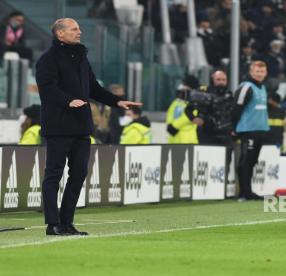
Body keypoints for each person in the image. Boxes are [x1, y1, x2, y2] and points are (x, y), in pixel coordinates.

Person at [36, 18, 141, 236]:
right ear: (60, 34)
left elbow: (94, 88)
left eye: (78, 28)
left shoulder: (82, 58)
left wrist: (116, 102)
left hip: (81, 126)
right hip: (58, 126)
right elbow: (47, 89)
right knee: (53, 174)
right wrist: (68, 101)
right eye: (74, 29)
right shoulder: (48, 59)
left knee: (79, 173)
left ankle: (67, 222)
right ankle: (52, 223)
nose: (79, 32)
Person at [232, 61, 269, 201]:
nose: (259, 74)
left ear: (265, 73)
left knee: (252, 161)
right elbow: (236, 108)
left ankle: (248, 191)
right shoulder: (246, 87)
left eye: (262, 71)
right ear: (251, 72)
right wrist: (234, 128)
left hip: (260, 129)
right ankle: (243, 193)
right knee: (246, 161)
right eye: (257, 71)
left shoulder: (262, 87)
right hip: (248, 129)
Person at [166, 75, 203, 144]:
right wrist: (170, 125)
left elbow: (192, 114)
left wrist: (174, 125)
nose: (181, 86)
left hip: (188, 140)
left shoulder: (197, 99)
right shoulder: (178, 100)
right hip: (174, 139)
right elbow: (170, 112)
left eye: (184, 84)